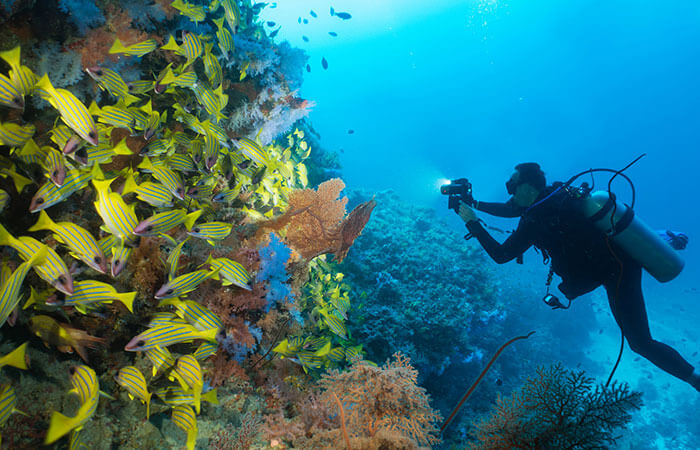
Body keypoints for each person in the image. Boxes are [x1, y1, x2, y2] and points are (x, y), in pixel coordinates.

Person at [457, 162, 699, 391]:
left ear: (528, 188)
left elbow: (501, 255)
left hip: (617, 273)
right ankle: (660, 238)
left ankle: (695, 379)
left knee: (640, 344)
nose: (508, 189)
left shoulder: (537, 218)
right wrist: (475, 203)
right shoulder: (557, 195)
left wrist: (473, 223)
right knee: (614, 245)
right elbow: (512, 209)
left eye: (511, 185)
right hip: (614, 252)